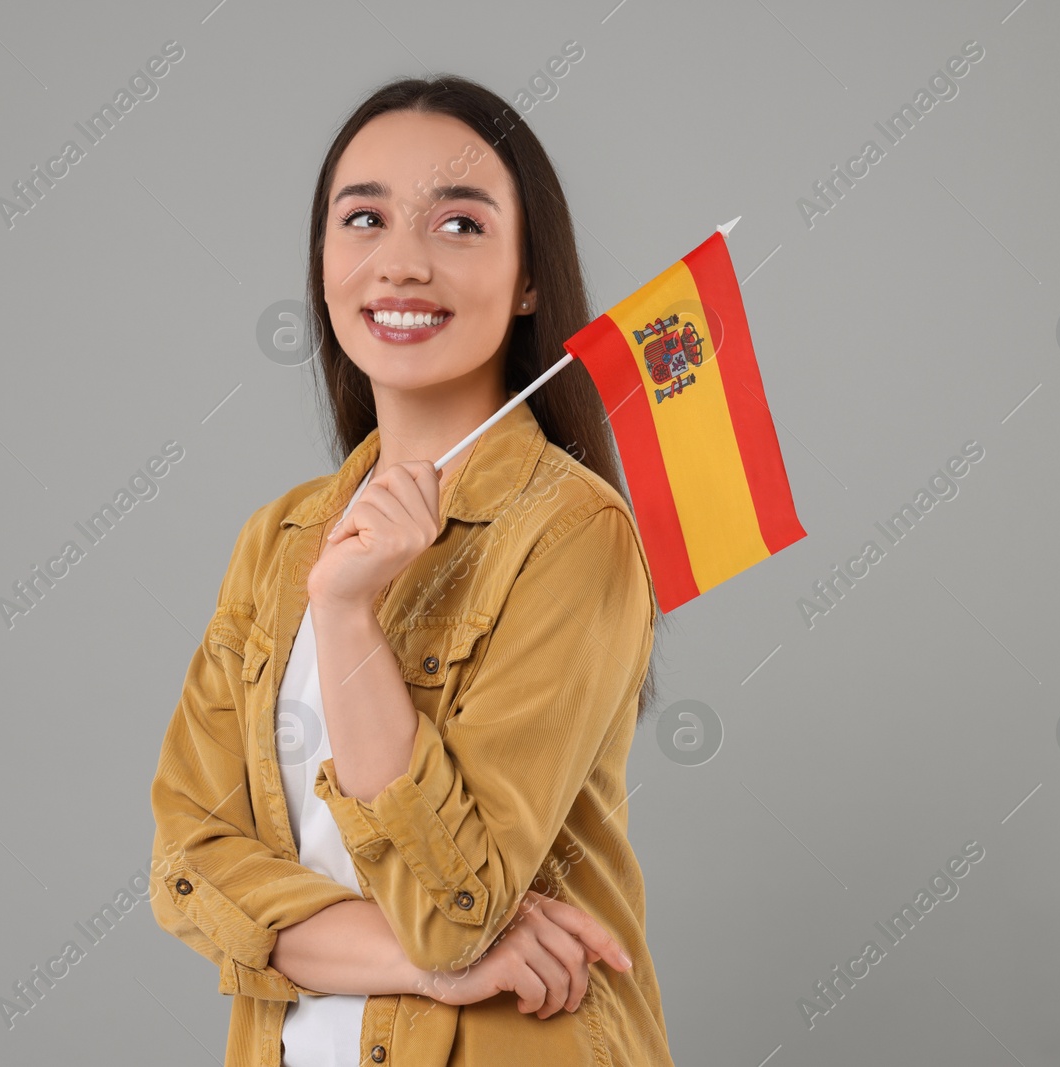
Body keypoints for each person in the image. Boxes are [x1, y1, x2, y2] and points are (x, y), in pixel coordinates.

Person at [148, 73, 676, 1066]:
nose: (400, 263)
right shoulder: (276, 539)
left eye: (459, 225)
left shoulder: (570, 535)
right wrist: (427, 965)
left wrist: (346, 614)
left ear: (529, 278)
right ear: (322, 261)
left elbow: (452, 909)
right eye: (363, 219)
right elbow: (187, 865)